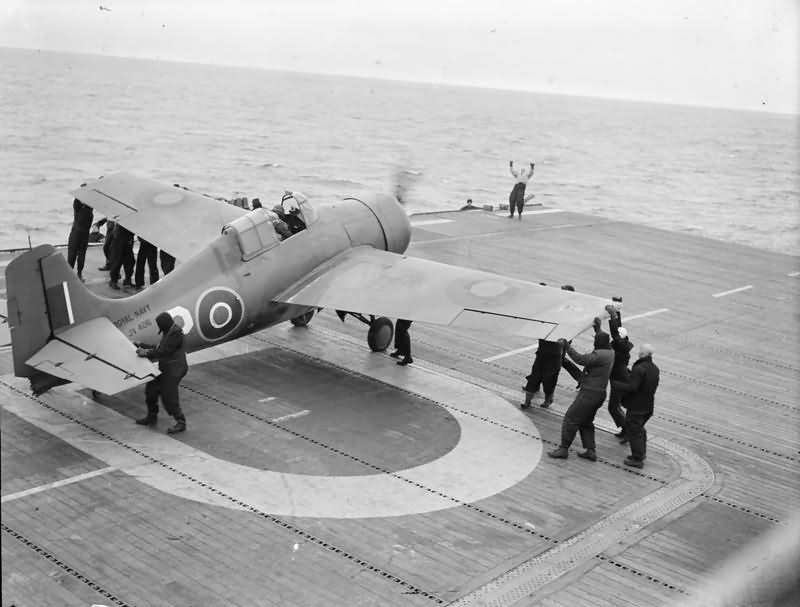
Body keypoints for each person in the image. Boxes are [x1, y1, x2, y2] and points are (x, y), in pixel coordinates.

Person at [548, 332, 614, 461]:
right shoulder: (611, 352)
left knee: (570, 418)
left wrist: (567, 346)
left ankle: (563, 449)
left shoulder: (599, 355)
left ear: (599, 343)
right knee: (586, 422)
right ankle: (591, 451)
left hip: (589, 393)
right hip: (600, 394)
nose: (594, 342)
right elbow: (603, 341)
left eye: (595, 340)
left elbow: (580, 359)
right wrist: (598, 328)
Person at [135, 312, 189, 434]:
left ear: (163, 325)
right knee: (151, 389)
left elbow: (163, 351)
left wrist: (146, 353)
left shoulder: (175, 334)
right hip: (166, 368)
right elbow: (159, 348)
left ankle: (181, 422)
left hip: (175, 369)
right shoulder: (168, 332)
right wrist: (141, 345)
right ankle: (152, 417)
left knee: (169, 395)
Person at [611, 343, 660, 468]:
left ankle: (637, 459)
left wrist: (617, 385)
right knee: (640, 430)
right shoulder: (654, 368)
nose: (638, 353)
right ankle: (639, 455)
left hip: (637, 407)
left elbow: (633, 387)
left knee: (635, 431)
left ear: (643, 354)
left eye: (640, 352)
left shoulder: (639, 368)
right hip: (648, 406)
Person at [604, 302, 633, 440]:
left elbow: (616, 333)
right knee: (615, 407)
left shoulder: (620, 345)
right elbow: (619, 330)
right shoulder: (623, 344)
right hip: (620, 378)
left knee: (613, 407)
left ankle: (627, 430)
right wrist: (618, 312)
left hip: (619, 380)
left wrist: (613, 315)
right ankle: (625, 429)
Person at [521, 339, 564, 409]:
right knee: (534, 381)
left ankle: (547, 401)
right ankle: (527, 402)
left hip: (552, 360)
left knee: (548, 383)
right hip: (542, 358)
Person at [66, 191, 93, 281]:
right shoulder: (78, 207)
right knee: (72, 255)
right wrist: (83, 190)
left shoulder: (90, 208)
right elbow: (76, 200)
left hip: (85, 235)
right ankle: (69, 274)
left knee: (82, 256)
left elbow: (95, 199)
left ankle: (79, 274)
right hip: (76, 234)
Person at [108, 224, 134, 290]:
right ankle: (113, 281)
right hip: (119, 240)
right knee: (117, 261)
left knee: (130, 261)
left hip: (127, 240)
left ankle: (128, 280)